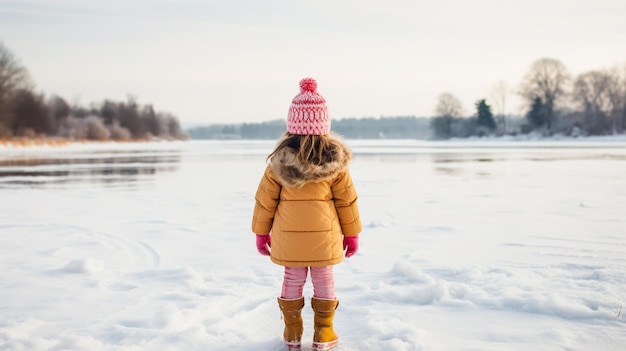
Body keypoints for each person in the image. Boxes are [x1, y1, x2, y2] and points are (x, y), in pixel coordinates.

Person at [251, 77, 362, 351]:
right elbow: (347, 203)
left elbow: (265, 202)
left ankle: (292, 331)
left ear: (292, 124)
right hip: (325, 239)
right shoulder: (335, 165)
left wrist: (261, 233)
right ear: (324, 125)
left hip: (289, 239)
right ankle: (324, 332)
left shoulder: (277, 164)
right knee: (324, 277)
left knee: (293, 277)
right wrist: (352, 234)